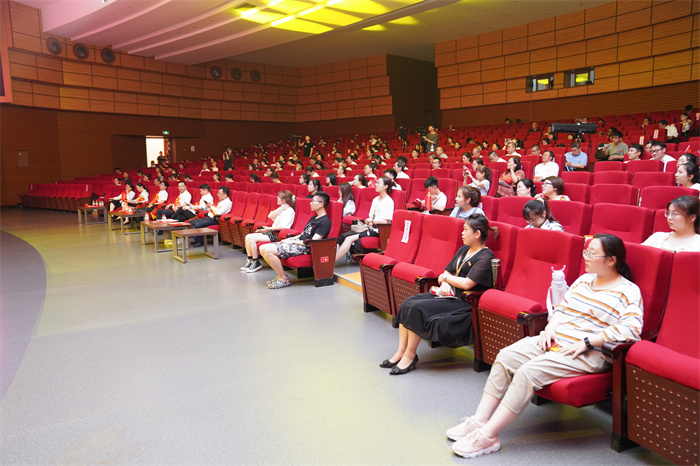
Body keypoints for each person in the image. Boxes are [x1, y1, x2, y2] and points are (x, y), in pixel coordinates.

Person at [447, 234, 642, 458]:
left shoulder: (628, 291)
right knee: (505, 356)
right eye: (585, 252)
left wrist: (588, 341)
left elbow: (631, 329)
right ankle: (479, 421)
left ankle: (488, 436)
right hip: (558, 340)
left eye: (592, 253)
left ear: (611, 260)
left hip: (589, 351)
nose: (585, 257)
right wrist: (550, 328)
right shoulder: (584, 280)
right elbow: (562, 308)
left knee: (527, 372)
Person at [383, 214, 496, 374]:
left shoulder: (486, 256)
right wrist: (444, 283)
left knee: (417, 309)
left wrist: (446, 279)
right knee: (407, 303)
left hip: (462, 301)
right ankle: (401, 351)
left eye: (465, 230)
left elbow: (467, 284)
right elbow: (445, 272)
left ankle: (410, 355)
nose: (462, 233)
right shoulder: (464, 249)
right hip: (448, 294)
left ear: (477, 234)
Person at [259, 192, 332, 289]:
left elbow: (312, 242)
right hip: (298, 243)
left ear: (321, 204)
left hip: (306, 247)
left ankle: (283, 279)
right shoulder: (313, 218)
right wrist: (291, 239)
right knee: (263, 248)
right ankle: (281, 276)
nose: (310, 203)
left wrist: (292, 242)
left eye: (313, 201)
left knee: (268, 250)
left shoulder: (325, 222)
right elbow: (304, 234)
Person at [335, 176, 394, 261]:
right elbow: (371, 216)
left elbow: (386, 222)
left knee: (349, 238)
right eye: (376, 183)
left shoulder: (389, 201)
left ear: (385, 186)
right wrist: (370, 221)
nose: (376, 185)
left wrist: (372, 221)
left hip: (379, 230)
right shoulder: (375, 199)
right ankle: (333, 260)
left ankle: (333, 262)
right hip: (369, 227)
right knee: (342, 236)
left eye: (378, 183)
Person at [241, 190, 296, 273]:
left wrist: (267, 229)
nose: (277, 198)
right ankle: (250, 260)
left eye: (279, 197)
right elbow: (270, 216)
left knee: (252, 239)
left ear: (284, 200)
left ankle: (256, 262)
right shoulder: (281, 209)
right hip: (271, 231)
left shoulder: (290, 211)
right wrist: (280, 209)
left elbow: (283, 227)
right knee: (248, 237)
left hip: (277, 234)